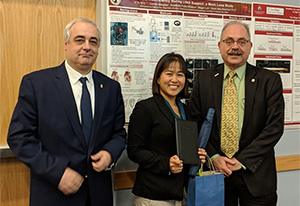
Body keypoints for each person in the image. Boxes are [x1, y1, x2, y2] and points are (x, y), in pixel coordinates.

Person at [7, 17, 126, 206]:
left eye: (93, 41)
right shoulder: (37, 84)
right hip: (54, 195)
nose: (87, 46)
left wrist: (110, 153)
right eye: (80, 40)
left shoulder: (111, 88)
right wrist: (57, 171)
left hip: (98, 196)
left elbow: (118, 133)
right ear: (66, 44)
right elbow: (19, 137)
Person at [189, 21, 284, 206]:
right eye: (229, 41)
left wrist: (241, 161)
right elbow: (195, 122)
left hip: (257, 176)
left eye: (241, 42)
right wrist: (213, 157)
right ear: (220, 46)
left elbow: (274, 127)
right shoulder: (205, 79)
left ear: (250, 47)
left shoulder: (269, 81)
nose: (235, 47)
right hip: (216, 175)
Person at [127, 52, 207, 206]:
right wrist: (166, 163)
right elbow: (134, 150)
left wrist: (197, 155)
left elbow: (184, 148)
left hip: (181, 193)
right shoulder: (146, 108)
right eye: (169, 74)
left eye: (180, 74)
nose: (175, 80)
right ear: (158, 78)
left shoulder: (186, 110)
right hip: (154, 195)